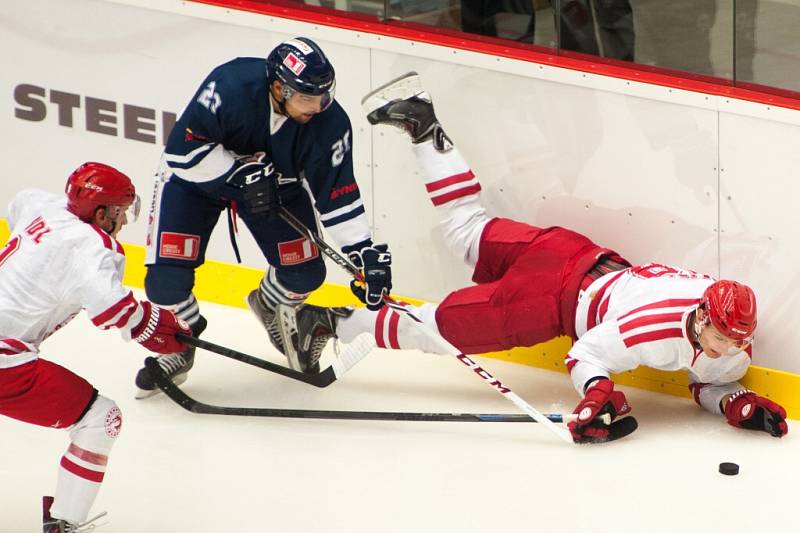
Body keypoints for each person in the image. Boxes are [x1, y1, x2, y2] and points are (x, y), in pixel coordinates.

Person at [283, 72, 788, 444]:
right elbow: (585, 354)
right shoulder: (651, 328)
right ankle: (328, 322)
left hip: (570, 250)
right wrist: (596, 395)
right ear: (701, 317)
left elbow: (708, 381)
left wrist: (735, 402)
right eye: (720, 338)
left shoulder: (724, 336)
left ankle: (423, 126)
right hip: (546, 301)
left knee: (467, 228)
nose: (725, 350)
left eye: (734, 342)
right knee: (437, 329)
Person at [135, 36, 393, 396]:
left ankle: (270, 304)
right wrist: (236, 174)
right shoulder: (229, 86)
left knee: (305, 273)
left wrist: (362, 252)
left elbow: (337, 193)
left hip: (276, 190)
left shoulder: (330, 123)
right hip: (197, 184)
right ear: (277, 87)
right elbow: (182, 151)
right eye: (307, 97)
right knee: (164, 282)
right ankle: (179, 342)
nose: (318, 106)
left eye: (324, 94)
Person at [0, 162, 192, 531]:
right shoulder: (94, 246)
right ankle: (64, 525)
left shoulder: (44, 206)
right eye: (120, 212)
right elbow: (111, 307)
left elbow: (18, 204)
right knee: (99, 420)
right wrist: (159, 325)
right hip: (5, 361)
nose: (123, 222)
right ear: (102, 213)